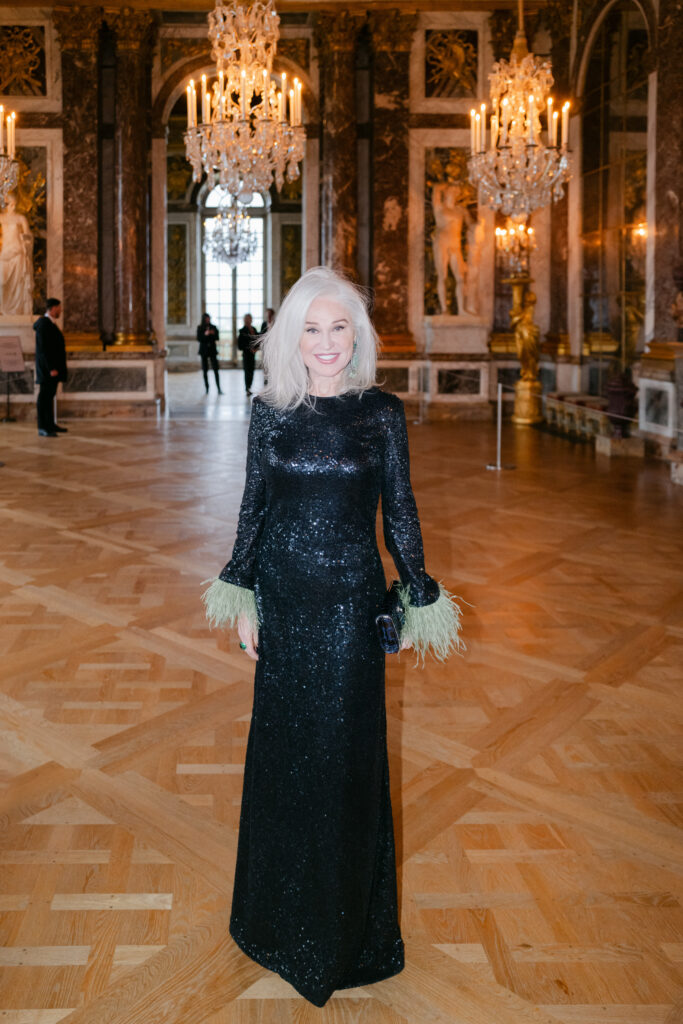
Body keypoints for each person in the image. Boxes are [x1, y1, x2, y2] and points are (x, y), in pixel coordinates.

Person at [202, 267, 463, 1006]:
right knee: (286, 754)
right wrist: (242, 594)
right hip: (283, 603)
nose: (324, 343)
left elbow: (401, 512)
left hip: (349, 605)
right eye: (310, 328)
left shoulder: (379, 412)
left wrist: (416, 595)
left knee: (344, 755)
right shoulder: (268, 412)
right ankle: (274, 918)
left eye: (337, 327)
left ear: (357, 335)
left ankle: (346, 926)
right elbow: (252, 510)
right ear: (291, 335)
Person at [33, 298, 68, 437]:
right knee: (44, 397)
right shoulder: (44, 325)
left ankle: (50, 424)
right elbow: (44, 349)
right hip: (48, 370)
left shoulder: (50, 324)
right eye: (59, 308)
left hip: (52, 369)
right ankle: (43, 427)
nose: (60, 310)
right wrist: (51, 368)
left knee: (50, 396)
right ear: (53, 308)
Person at [0, 192, 33, 316]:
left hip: (17, 252)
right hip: (5, 253)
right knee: (2, 281)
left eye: (7, 203)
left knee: (17, 283)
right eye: (4, 203)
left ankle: (16, 310)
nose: (5, 206)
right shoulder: (1, 218)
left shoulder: (20, 218)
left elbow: (28, 235)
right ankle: (3, 309)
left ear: (13, 204)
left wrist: (26, 238)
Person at [196, 312, 222, 394]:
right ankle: (207, 388)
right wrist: (205, 334)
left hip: (212, 351)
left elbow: (217, 337)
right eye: (206, 319)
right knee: (205, 370)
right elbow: (199, 339)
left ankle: (219, 388)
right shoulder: (200, 328)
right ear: (203, 319)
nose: (208, 320)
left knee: (216, 369)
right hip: (204, 351)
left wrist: (212, 333)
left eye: (209, 319)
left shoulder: (213, 327)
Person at [237, 312, 258, 395]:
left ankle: (250, 387)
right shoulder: (242, 331)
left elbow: (257, 341)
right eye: (247, 318)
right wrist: (250, 349)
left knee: (252, 371)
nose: (249, 320)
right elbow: (240, 346)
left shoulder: (254, 329)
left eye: (250, 318)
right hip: (246, 355)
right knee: (247, 372)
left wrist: (256, 349)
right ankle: (247, 388)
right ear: (245, 320)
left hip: (253, 354)